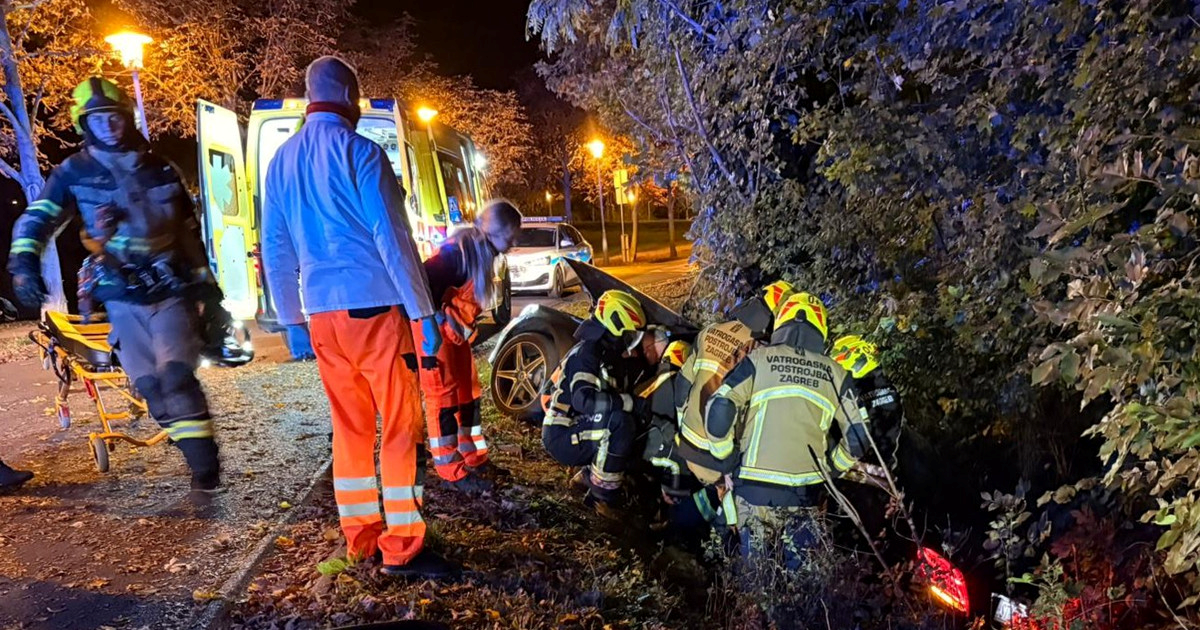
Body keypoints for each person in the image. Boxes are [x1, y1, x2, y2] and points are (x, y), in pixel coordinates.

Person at [261, 56, 451, 579]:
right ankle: (404, 546)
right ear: (350, 97)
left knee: (348, 429)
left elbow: (275, 247)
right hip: (374, 308)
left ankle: (361, 538)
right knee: (398, 426)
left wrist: (292, 319)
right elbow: (393, 240)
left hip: (321, 315)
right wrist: (424, 311)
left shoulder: (281, 161)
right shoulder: (363, 154)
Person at [8, 77, 222, 504]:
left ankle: (206, 473)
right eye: (97, 118)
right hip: (121, 296)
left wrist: (209, 291)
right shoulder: (74, 172)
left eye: (114, 116)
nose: (108, 125)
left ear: (126, 117)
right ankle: (196, 453)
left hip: (170, 290)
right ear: (85, 124)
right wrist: (22, 265)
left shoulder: (160, 168)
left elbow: (188, 233)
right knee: (151, 388)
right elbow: (37, 220)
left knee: (177, 378)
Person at [704, 292, 869, 568]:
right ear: (821, 330)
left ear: (782, 322)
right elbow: (859, 434)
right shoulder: (836, 374)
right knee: (801, 583)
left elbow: (720, 407)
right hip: (804, 495)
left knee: (756, 578)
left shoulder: (758, 360)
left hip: (754, 491)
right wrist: (833, 469)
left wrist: (725, 457)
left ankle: (752, 609)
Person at [415, 201, 521, 493]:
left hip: (453, 339)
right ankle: (451, 469)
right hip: (435, 338)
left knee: (468, 393)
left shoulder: (480, 253)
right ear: (493, 231)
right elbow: (420, 288)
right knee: (444, 399)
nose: (513, 243)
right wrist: (436, 321)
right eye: (510, 237)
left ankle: (474, 457)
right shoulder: (455, 255)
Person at [674, 280, 794, 487]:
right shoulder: (764, 353)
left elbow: (682, 385)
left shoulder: (710, 332)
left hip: (687, 447)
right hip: (721, 462)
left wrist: (685, 426)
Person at [542, 290, 654, 513]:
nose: (630, 344)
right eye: (629, 336)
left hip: (580, 427)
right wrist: (629, 402)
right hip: (562, 434)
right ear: (615, 328)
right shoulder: (587, 354)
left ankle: (587, 476)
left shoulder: (608, 357)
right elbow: (584, 400)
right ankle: (601, 499)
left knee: (633, 425)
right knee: (619, 423)